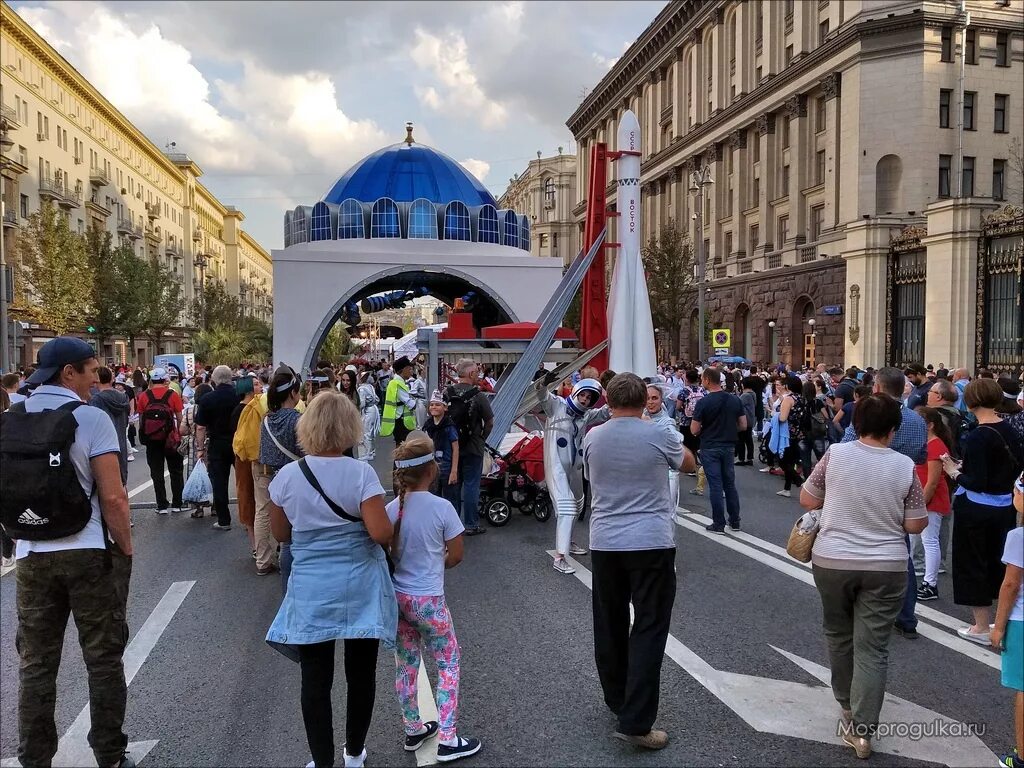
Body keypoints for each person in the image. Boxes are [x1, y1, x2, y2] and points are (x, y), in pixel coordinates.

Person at [8, 337, 135, 768]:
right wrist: (126, 547)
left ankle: (35, 757)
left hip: (30, 554)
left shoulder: (13, 416)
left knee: (37, 663)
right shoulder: (91, 418)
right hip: (87, 552)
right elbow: (114, 496)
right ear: (68, 373)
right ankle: (110, 754)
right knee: (102, 658)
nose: (96, 379)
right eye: (92, 370)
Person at [265, 391, 396, 768]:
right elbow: (379, 533)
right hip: (359, 584)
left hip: (312, 586)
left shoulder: (288, 476)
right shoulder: (362, 474)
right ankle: (354, 752)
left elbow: (281, 534)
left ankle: (321, 761)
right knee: (361, 675)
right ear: (349, 428)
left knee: (316, 680)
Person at [800, 394, 928, 760]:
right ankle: (863, 730)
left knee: (838, 633)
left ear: (856, 424)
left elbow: (808, 499)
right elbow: (916, 523)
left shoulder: (835, 456)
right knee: (873, 647)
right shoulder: (904, 467)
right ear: (893, 430)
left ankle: (845, 702)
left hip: (833, 559)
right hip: (886, 564)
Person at [583, 373, 694, 750]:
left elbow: (589, 476)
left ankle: (617, 698)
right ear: (641, 401)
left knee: (609, 621)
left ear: (609, 401)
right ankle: (637, 720)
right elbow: (689, 464)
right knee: (648, 625)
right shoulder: (658, 434)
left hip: (606, 541)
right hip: (651, 541)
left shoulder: (593, 437)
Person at [387, 433, 481, 762]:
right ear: (431, 470)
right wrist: (436, 561)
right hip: (429, 600)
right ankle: (448, 737)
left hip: (398, 598)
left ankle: (413, 728)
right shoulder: (442, 508)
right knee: (449, 662)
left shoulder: (390, 509)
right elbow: (455, 555)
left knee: (406, 665)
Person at [842, 367, 928, 640]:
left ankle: (857, 608)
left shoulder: (867, 413)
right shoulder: (916, 420)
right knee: (901, 553)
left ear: (877, 387)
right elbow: (922, 457)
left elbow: (847, 446)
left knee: (856, 546)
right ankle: (906, 617)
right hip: (900, 491)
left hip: (863, 489)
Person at [943, 378, 1024, 646]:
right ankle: (1002, 620)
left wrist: (954, 471)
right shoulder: (1009, 429)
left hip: (976, 507)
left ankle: (980, 625)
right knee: (999, 562)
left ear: (971, 400)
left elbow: (975, 480)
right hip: (1004, 505)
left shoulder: (978, 435)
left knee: (971, 563)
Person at [536, 375, 606, 573]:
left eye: (589, 398)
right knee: (567, 507)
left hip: (575, 467)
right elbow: (542, 394)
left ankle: (569, 540)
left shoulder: (586, 414)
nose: (584, 400)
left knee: (578, 502)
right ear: (576, 392)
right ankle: (559, 557)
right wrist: (543, 383)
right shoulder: (556, 406)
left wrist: (615, 393)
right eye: (582, 395)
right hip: (556, 465)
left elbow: (606, 413)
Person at [257, 367, 304, 585]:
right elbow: (306, 452)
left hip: (272, 480)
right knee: (297, 534)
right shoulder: (299, 420)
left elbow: (264, 453)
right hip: (298, 480)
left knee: (283, 537)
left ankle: (284, 582)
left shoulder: (267, 420)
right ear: (293, 393)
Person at [991, 473, 1023, 768]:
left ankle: (1022, 756)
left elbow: (1010, 585)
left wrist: (999, 626)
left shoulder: (1018, 537)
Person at [690, 367, 746, 532]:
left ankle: (718, 523)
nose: (701, 381)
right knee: (730, 484)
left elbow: (694, 429)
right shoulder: (735, 400)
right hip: (729, 446)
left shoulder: (703, 402)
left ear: (707, 379)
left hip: (710, 446)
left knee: (715, 485)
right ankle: (735, 521)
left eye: (702, 379)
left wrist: (706, 429)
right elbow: (743, 425)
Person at [445, 359, 494, 537]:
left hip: (451, 447)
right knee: (472, 485)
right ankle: (471, 524)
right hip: (473, 446)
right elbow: (489, 422)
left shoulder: (447, 392)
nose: (478, 375)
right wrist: (481, 438)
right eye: (476, 372)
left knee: (454, 485)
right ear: (471, 374)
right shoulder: (478, 396)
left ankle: (453, 524)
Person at [912, 407, 954, 601]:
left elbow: (933, 481)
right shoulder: (928, 442)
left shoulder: (935, 445)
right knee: (925, 540)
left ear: (930, 425)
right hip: (924, 498)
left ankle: (930, 583)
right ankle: (927, 581)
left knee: (929, 541)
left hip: (930, 500)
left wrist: (921, 503)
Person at [195, 365, 241, 531]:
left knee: (219, 482)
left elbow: (200, 427)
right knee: (243, 481)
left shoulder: (207, 399)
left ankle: (224, 519)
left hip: (217, 443)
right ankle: (248, 518)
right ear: (230, 378)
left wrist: (200, 448)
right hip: (238, 443)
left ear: (214, 380)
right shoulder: (240, 397)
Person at [136, 367, 184, 514]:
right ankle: (177, 503)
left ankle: (161, 505)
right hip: (170, 437)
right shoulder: (173, 395)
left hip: (151, 439)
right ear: (165, 380)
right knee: (176, 470)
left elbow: (141, 418)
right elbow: (180, 417)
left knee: (156, 472)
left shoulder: (144, 396)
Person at [231, 376, 264, 564]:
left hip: (252, 458)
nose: (260, 387)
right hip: (248, 459)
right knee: (250, 500)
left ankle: (259, 545)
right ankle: (255, 546)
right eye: (257, 384)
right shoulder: (244, 410)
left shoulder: (258, 406)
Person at [90, 366, 131, 488]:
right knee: (122, 482)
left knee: (106, 484)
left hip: (104, 445)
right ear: (111, 379)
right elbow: (127, 417)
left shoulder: (96, 399)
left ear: (96, 379)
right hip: (121, 440)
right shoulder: (123, 397)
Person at [422, 390, 460, 506]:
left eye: (438, 405)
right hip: (432, 468)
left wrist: (454, 471)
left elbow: (455, 448)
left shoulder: (449, 426)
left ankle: (452, 523)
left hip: (446, 468)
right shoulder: (428, 426)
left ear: (445, 408)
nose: (434, 407)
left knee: (451, 500)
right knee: (433, 499)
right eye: (432, 404)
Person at [182, 382, 213, 518]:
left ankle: (198, 509)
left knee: (196, 476)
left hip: (195, 446)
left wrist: (192, 431)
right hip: (211, 443)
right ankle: (215, 506)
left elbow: (182, 430)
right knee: (213, 475)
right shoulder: (213, 407)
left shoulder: (189, 410)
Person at [774, 376, 807, 498]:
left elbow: (782, 417)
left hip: (786, 433)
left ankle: (800, 481)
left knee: (783, 461)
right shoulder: (802, 398)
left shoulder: (788, 399)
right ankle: (787, 488)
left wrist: (775, 416)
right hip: (798, 432)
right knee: (791, 460)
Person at [380, 356, 418, 447]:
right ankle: (397, 462)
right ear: (403, 369)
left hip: (400, 421)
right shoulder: (397, 383)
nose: (411, 371)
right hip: (401, 422)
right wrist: (418, 402)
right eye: (409, 369)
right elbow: (410, 403)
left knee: (402, 449)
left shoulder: (397, 382)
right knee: (402, 450)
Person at [357, 370, 380, 461]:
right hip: (374, 409)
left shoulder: (362, 389)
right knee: (372, 431)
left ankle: (368, 452)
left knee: (366, 431)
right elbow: (377, 399)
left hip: (368, 410)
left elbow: (362, 403)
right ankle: (372, 450)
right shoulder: (370, 387)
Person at [736, 378, 756, 466]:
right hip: (751, 419)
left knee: (741, 440)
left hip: (744, 419)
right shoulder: (753, 394)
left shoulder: (745, 395)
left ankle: (741, 459)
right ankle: (750, 458)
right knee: (748, 439)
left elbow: (737, 404)